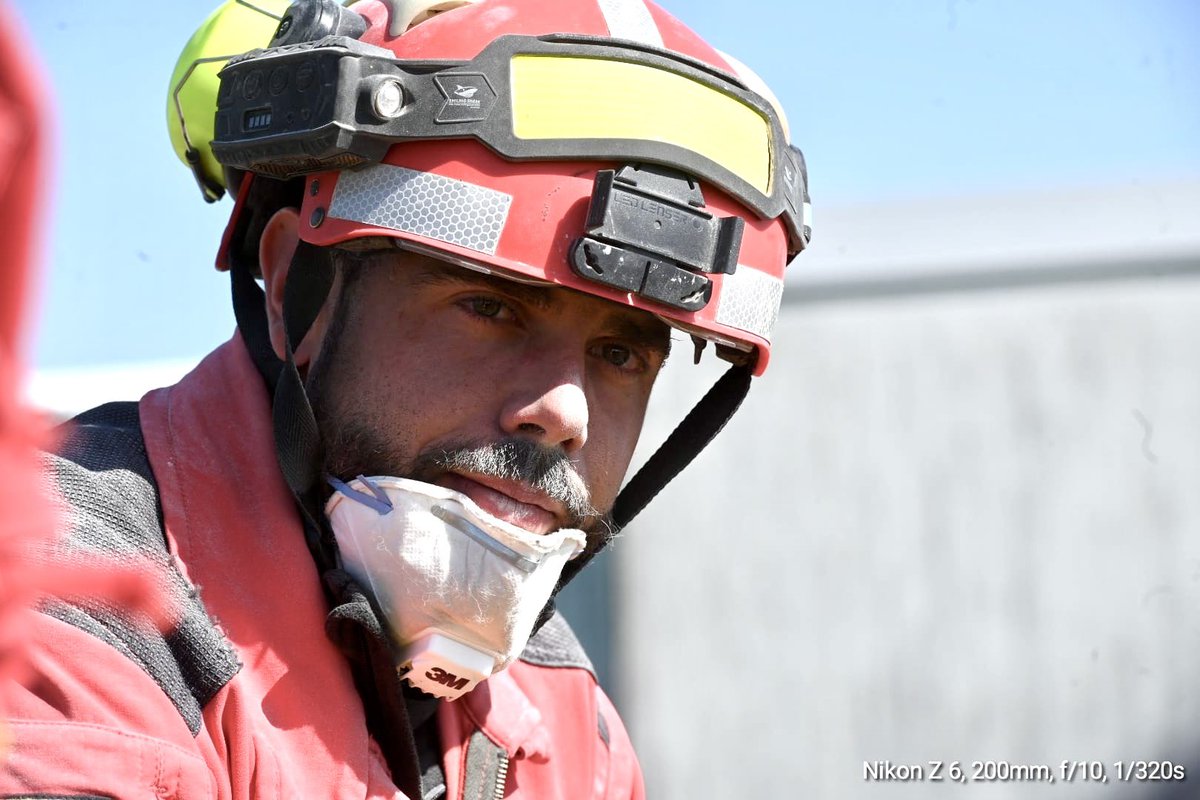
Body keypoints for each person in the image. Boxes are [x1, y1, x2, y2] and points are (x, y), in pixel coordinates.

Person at [1, 0, 809, 796]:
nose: (567, 413)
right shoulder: (58, 605)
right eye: (491, 306)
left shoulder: (566, 715)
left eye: (621, 354)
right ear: (293, 289)